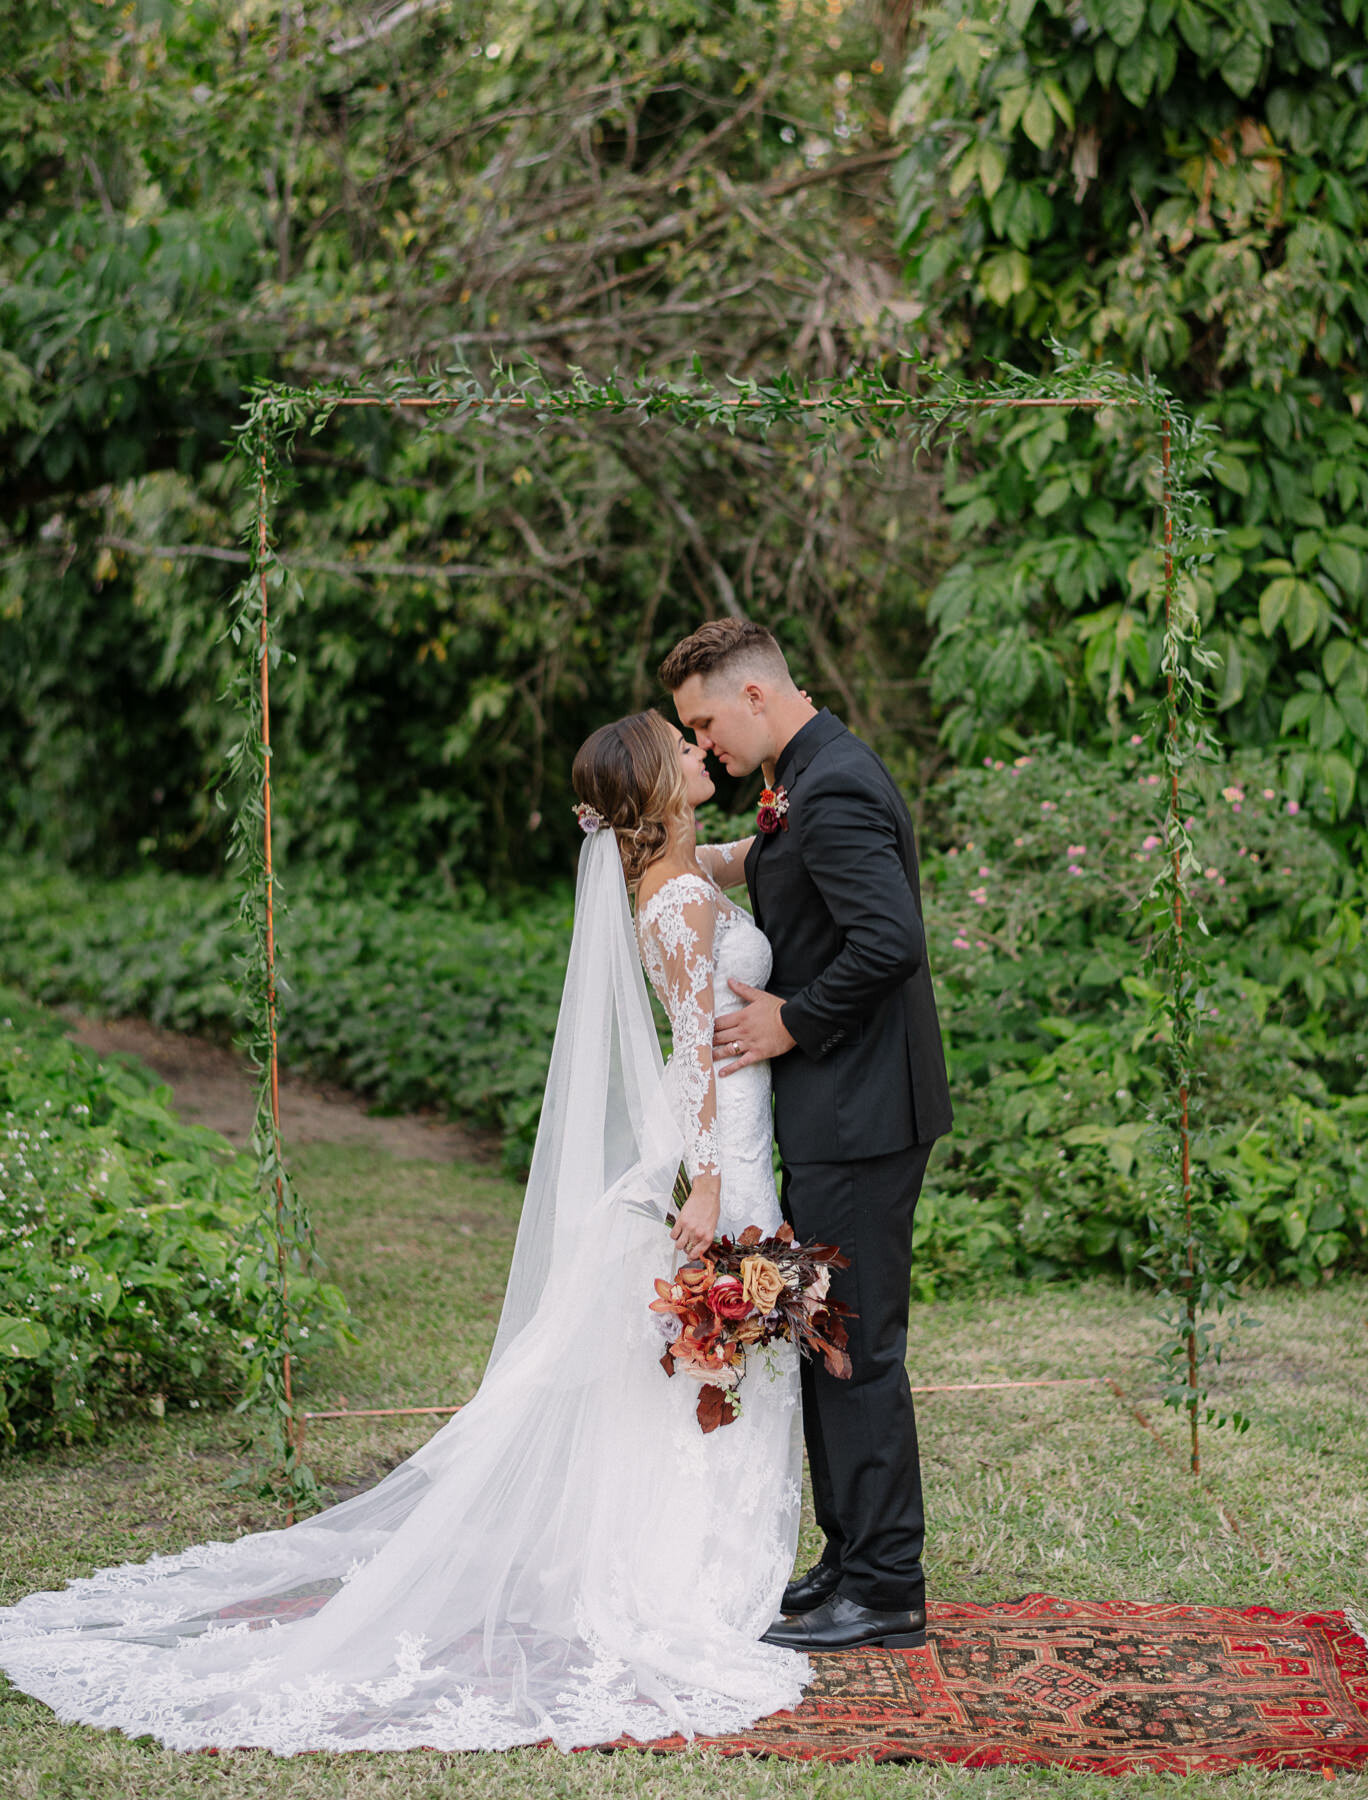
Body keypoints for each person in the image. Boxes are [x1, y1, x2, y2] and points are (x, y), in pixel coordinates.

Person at [0, 710, 809, 1754]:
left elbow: (743, 856)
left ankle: (686, 1557)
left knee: (705, 1350)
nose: (704, 751)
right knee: (719, 1342)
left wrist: (793, 821)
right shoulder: (685, 903)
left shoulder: (682, 877)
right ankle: (690, 1577)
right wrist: (707, 1186)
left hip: (732, 1126)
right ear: (657, 784)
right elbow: (700, 1048)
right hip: (719, 1140)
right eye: (683, 744)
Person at [660, 618, 954, 1654]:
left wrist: (792, 1017)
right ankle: (850, 1556)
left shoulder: (831, 787)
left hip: (866, 1115)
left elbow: (891, 941)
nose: (706, 746)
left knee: (857, 1349)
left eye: (703, 722)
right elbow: (782, 876)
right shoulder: (805, 776)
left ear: (750, 695)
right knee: (830, 1337)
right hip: (839, 1112)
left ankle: (886, 1588)